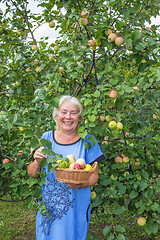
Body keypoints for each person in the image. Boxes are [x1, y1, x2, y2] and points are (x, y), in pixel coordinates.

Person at [27, 95, 105, 240]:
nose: (68, 117)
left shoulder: (88, 141)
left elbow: (94, 176)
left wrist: (81, 184)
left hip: (76, 210)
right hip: (50, 210)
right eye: (64, 112)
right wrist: (37, 162)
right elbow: (32, 173)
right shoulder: (46, 138)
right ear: (56, 115)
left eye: (73, 113)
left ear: (79, 117)